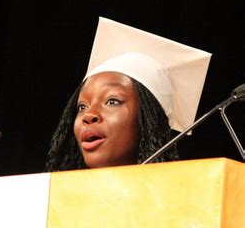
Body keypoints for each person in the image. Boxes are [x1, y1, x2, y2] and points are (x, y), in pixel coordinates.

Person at [46, 17, 211, 171]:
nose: (89, 115)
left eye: (112, 101)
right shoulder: (55, 199)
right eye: (82, 106)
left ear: (148, 122)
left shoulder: (179, 199)